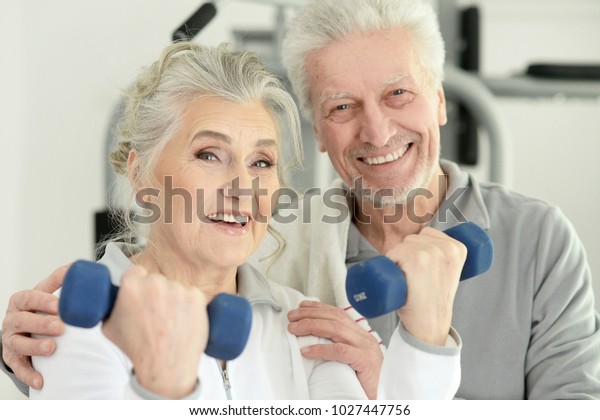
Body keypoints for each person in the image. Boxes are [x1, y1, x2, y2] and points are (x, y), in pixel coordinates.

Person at [3, 0, 598, 400]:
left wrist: (415, 355)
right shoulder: (282, 262)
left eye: (262, 162)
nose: (378, 130)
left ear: (440, 100)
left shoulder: (305, 320)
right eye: (342, 106)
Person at [4, 39, 461, 400]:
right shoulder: (68, 321)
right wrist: (162, 385)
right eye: (209, 154)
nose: (243, 187)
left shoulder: (310, 327)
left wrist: (425, 346)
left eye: (261, 162)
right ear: (141, 174)